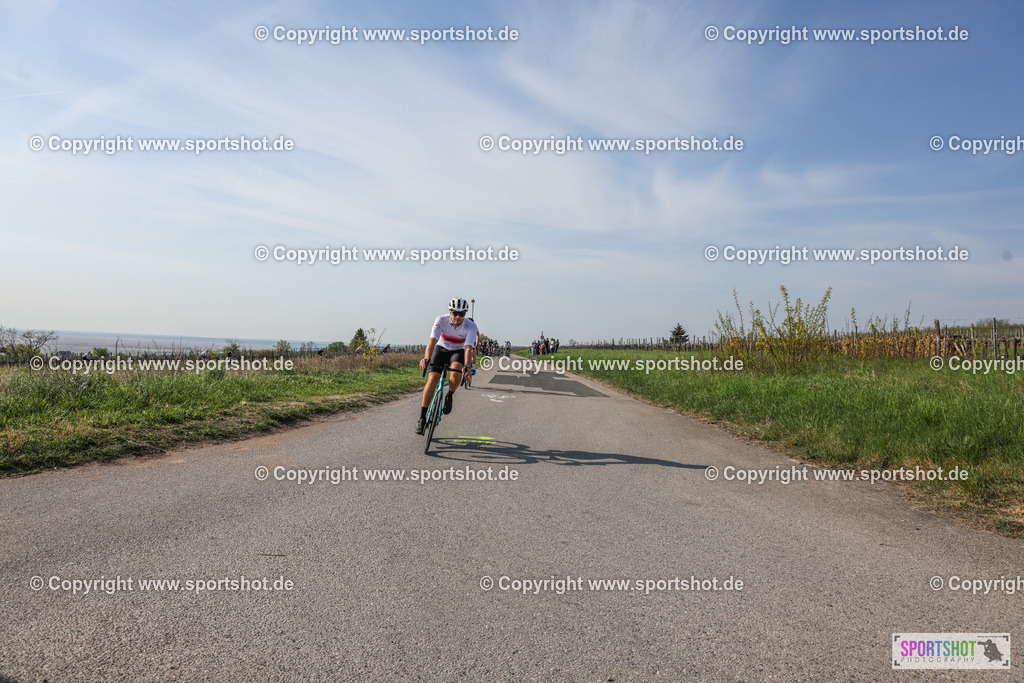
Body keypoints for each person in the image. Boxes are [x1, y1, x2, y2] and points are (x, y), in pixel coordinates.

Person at [416, 298, 478, 434]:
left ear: (465, 314)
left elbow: (468, 348)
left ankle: (450, 395)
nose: (458, 317)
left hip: (458, 350)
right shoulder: (441, 320)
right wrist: (426, 358)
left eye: (461, 314)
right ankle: (422, 418)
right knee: (432, 379)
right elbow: (432, 341)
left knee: (456, 374)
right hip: (441, 348)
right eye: (455, 313)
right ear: (450, 312)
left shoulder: (471, 326)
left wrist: (467, 366)